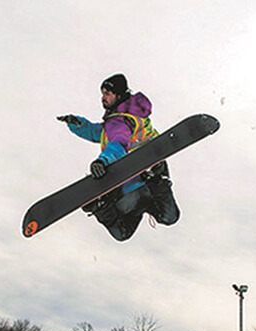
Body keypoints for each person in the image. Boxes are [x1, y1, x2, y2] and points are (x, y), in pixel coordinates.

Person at [57, 74, 180, 241]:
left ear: (119, 94)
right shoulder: (134, 117)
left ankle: (102, 206)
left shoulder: (119, 121)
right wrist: (76, 123)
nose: (103, 97)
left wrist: (103, 161)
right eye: (102, 93)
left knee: (121, 232)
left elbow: (118, 143)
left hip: (132, 191)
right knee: (169, 217)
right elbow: (96, 132)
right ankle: (156, 179)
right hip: (149, 189)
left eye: (107, 93)